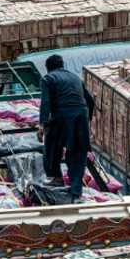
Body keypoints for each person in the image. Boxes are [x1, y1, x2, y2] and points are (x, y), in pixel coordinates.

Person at [38, 54, 95, 202]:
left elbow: (46, 103)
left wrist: (42, 125)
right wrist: (87, 120)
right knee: (78, 152)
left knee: (51, 144)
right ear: (62, 65)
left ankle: (56, 177)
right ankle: (76, 191)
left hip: (62, 116)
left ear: (48, 68)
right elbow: (91, 101)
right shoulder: (76, 78)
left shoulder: (48, 79)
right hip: (80, 117)